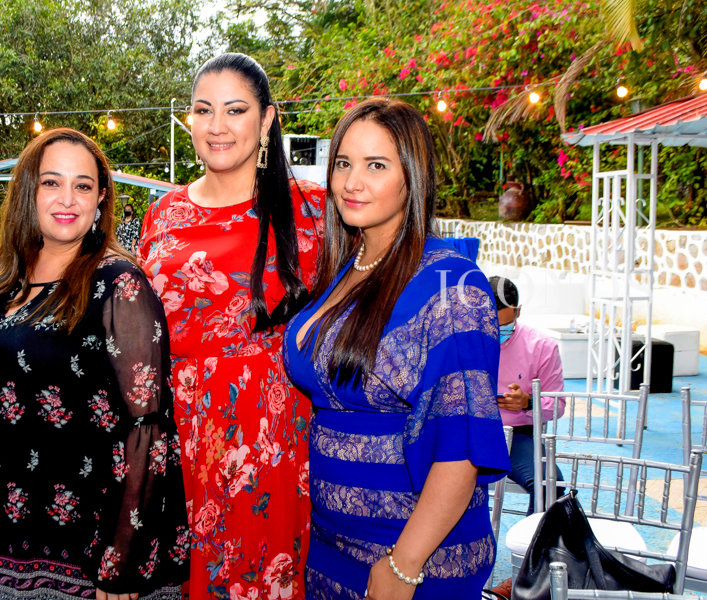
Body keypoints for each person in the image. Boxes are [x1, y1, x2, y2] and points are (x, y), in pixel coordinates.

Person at [282, 99, 510, 600]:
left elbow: (463, 446)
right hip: (330, 547)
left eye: (376, 166)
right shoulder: (345, 268)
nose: (352, 182)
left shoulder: (452, 286)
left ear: (413, 176)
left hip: (414, 557)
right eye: (343, 163)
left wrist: (404, 564)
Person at [0, 128, 190, 600]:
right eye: (51, 182)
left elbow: (149, 428)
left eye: (83, 185)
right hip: (3, 534)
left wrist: (122, 555)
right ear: (29, 190)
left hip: (88, 545)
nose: (67, 199)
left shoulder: (119, 284)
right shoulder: (2, 277)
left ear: (100, 198)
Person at [137, 53, 324, 599]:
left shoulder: (312, 210)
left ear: (267, 120)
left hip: (271, 443)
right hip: (178, 435)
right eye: (203, 110)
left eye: (235, 110)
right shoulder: (162, 215)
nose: (217, 125)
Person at [489, 275, 566, 516]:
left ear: (518, 311)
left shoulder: (542, 347)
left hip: (516, 436)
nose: (497, 332)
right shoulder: (461, 342)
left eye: (505, 326)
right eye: (490, 325)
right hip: (467, 429)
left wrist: (528, 402)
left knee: (550, 485)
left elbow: (558, 405)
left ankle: (533, 540)